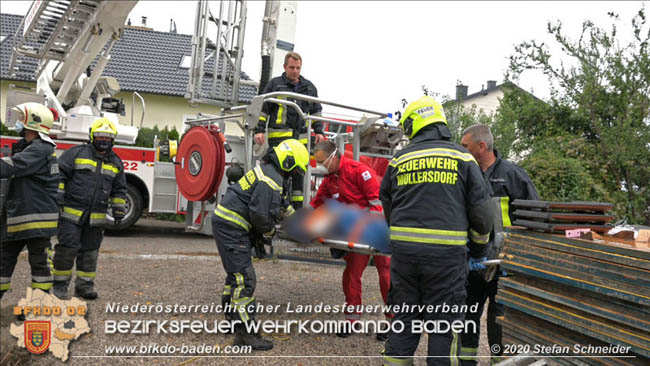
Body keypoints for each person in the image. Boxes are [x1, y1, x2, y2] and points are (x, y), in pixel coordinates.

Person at [380, 96, 493, 366]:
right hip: (446, 260)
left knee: (405, 321)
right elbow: (482, 215)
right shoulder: (461, 156)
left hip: (404, 258)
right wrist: (478, 250)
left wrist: (401, 238)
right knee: (443, 326)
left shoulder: (399, 159)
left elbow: (387, 202)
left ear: (415, 123)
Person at [213, 139, 309, 351]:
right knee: (245, 280)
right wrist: (270, 232)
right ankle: (246, 334)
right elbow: (259, 214)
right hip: (232, 227)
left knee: (235, 278)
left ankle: (233, 321)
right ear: (288, 162)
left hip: (229, 224)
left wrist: (299, 224)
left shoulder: (270, 172)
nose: (295, 174)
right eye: (295, 170)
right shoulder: (271, 179)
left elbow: (282, 205)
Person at [459, 124, 539, 365]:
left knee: (498, 317)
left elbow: (534, 218)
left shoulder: (513, 176)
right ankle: (466, 361)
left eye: (465, 145)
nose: (461, 150)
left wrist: (518, 255)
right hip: (473, 260)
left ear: (481, 146)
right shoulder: (465, 174)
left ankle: (499, 361)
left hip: (503, 263)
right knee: (468, 314)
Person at [310, 140, 392, 340]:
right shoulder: (330, 180)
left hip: (380, 227)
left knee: (387, 276)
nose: (319, 166)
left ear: (333, 157)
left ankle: (393, 321)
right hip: (358, 232)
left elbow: (377, 203)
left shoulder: (359, 172)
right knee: (351, 275)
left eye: (321, 161)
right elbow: (317, 203)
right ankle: (352, 319)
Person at [52, 118, 127, 300]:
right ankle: (60, 286)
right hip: (71, 215)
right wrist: (58, 194)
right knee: (67, 250)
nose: (104, 140)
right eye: (101, 136)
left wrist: (118, 209)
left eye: (108, 137)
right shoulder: (76, 153)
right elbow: (59, 173)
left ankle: (84, 286)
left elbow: (119, 189)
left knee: (90, 252)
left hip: (96, 218)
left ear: (113, 139)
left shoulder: (115, 162)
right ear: (92, 136)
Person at [1, 103, 59, 299]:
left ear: (32, 123)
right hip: (19, 217)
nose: (18, 124)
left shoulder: (40, 149)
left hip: (36, 220)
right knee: (3, 261)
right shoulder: (31, 147)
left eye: (21, 119)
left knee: (40, 265)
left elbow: (11, 166)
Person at [254, 52, 325, 209]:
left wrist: (319, 131)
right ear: (285, 67)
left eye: (298, 68)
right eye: (292, 67)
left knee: (298, 177)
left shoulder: (309, 88)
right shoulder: (275, 85)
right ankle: (275, 209)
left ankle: (297, 213)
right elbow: (263, 110)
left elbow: (316, 112)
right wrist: (258, 131)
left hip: (300, 142)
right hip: (279, 141)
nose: (295, 71)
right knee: (277, 175)